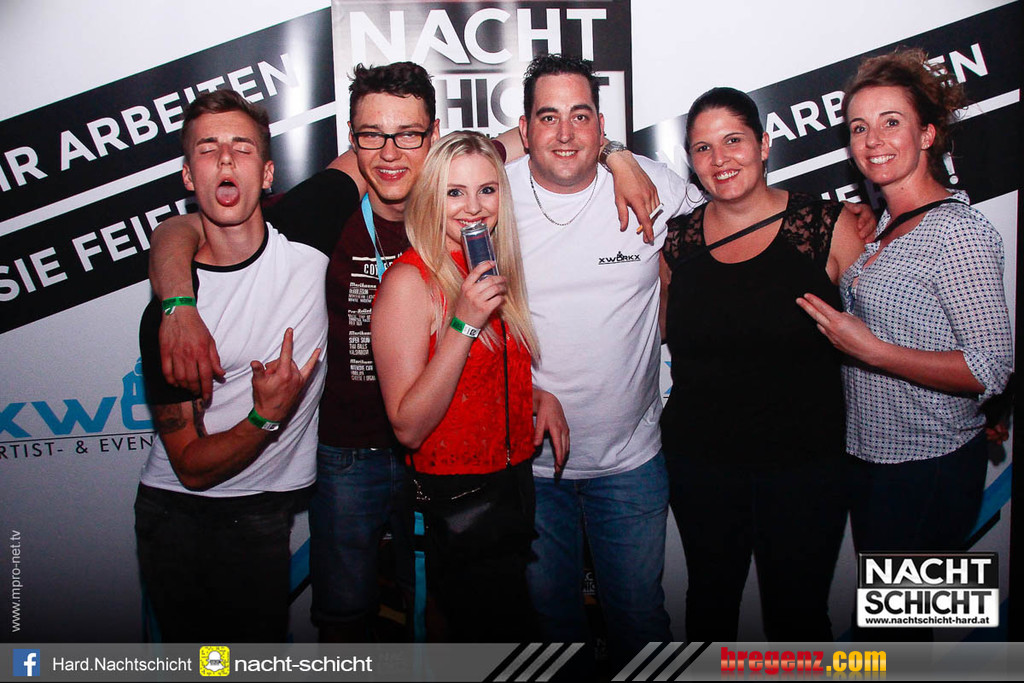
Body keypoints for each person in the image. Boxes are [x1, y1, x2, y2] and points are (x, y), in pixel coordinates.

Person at [797, 49, 1013, 608]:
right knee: (895, 630)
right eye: (858, 128)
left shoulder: (958, 232)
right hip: (874, 459)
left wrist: (874, 351)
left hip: (929, 466)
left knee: (901, 633)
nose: (872, 141)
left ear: (927, 134)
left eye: (891, 122)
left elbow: (991, 368)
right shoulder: (889, 225)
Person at [505, 54, 696, 669]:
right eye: (548, 117)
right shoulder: (492, 196)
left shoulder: (653, 185)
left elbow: (735, 219)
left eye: (580, 116)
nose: (565, 133)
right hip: (530, 469)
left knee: (641, 623)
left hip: (630, 462)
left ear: (602, 124)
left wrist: (840, 223)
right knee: (552, 631)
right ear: (524, 128)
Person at [660, 86, 865, 641]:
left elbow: (885, 334)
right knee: (709, 608)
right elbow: (657, 330)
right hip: (700, 466)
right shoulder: (675, 242)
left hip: (804, 468)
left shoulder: (828, 226)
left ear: (764, 144)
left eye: (733, 141)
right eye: (703, 148)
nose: (719, 159)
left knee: (798, 617)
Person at [135, 89, 336, 642]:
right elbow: (190, 467)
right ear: (188, 176)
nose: (225, 158)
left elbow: (393, 149)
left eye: (242, 148)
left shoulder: (306, 234)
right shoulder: (170, 317)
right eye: (208, 148)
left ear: (267, 174)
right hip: (185, 518)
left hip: (266, 509)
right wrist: (265, 417)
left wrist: (568, 145)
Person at [371, 131, 569, 641]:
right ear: (430, 198)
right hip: (455, 504)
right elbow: (408, 425)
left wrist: (536, 397)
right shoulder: (409, 283)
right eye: (455, 192)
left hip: (513, 490)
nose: (474, 207)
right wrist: (463, 322)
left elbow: (475, 378)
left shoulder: (487, 269)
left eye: (487, 190)